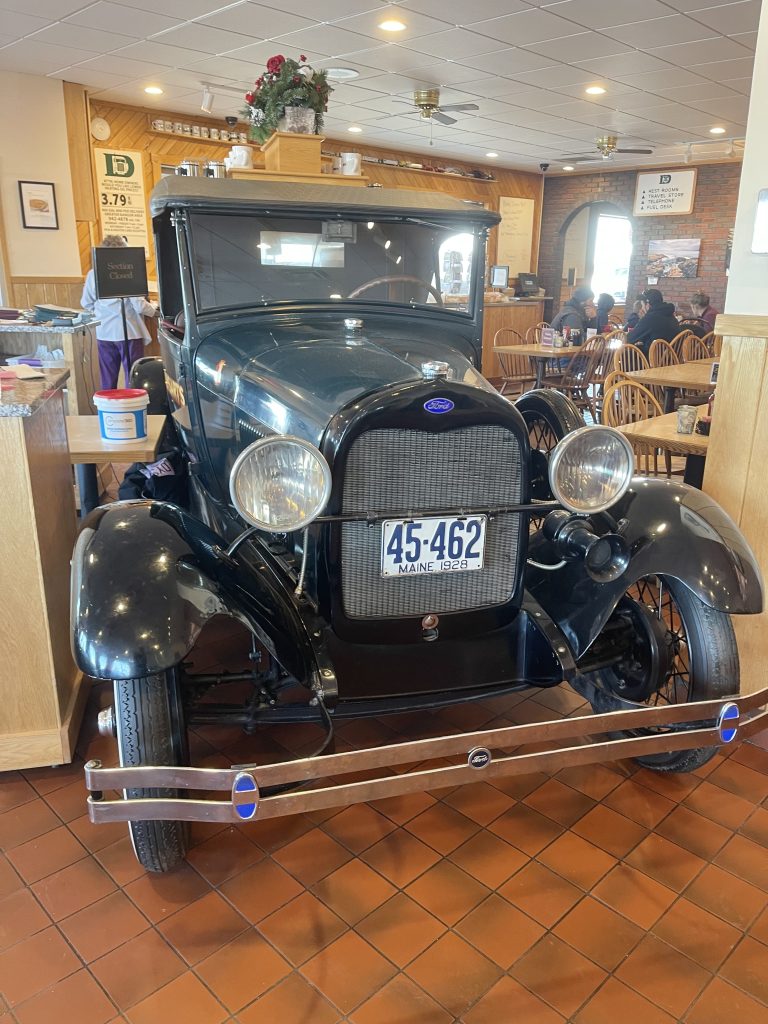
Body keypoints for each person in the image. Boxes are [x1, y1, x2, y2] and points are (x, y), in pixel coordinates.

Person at [81, 235, 157, 390]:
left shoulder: (93, 274)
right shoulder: (129, 271)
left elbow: (86, 303)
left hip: (104, 332)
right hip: (129, 331)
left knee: (107, 379)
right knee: (133, 376)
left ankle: (109, 405)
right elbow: (139, 306)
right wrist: (155, 309)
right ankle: (133, 404)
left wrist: (103, 313)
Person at [627, 288, 680, 355]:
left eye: (642, 305)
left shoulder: (650, 318)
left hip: (654, 357)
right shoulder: (670, 315)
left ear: (648, 305)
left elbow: (630, 338)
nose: (642, 308)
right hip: (672, 357)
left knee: (624, 353)